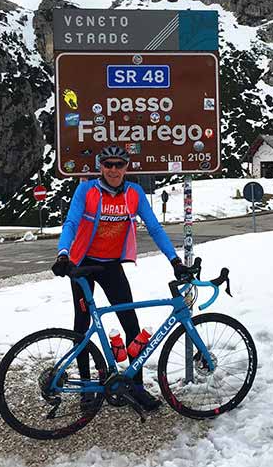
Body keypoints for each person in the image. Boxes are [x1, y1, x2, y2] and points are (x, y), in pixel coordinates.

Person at [52, 145, 189, 412]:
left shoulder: (134, 193)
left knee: (131, 324)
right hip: (81, 265)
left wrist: (175, 261)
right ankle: (86, 391)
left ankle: (136, 387)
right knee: (81, 326)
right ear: (100, 166)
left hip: (111, 266)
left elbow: (154, 228)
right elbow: (70, 223)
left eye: (119, 165)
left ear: (127, 167)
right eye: (108, 165)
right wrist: (63, 255)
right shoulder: (87, 190)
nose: (113, 170)